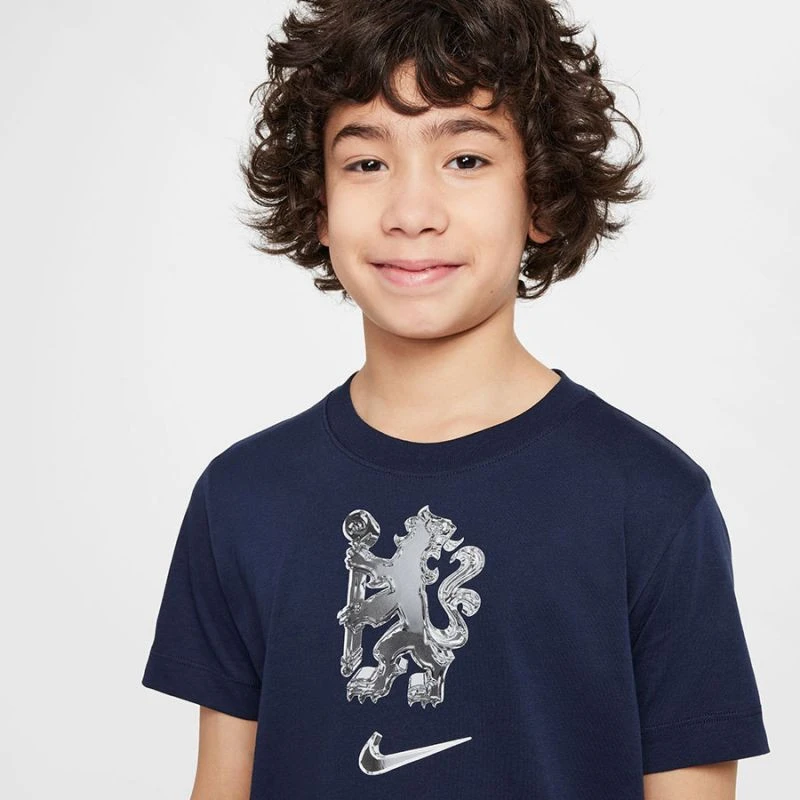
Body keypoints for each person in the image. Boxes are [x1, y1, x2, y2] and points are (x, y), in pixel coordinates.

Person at [141, 1, 770, 797]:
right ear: (319, 204)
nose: (411, 214)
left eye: (465, 159)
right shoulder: (242, 498)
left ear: (541, 197)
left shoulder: (650, 503)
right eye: (366, 163)